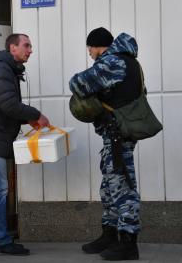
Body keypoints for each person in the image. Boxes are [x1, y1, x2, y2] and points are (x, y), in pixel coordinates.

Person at [69, 27, 141, 261]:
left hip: (118, 135)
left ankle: (128, 242)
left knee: (123, 188)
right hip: (115, 135)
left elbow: (78, 83)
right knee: (110, 188)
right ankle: (109, 235)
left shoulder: (113, 62)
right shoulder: (128, 61)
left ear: (96, 46)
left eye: (90, 47)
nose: (89, 52)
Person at [0, 33, 50, 256]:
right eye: (26, 45)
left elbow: (6, 106)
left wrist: (27, 118)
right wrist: (36, 115)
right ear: (12, 48)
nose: (30, 50)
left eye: (30, 46)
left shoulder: (6, 69)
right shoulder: (1, 70)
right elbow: (8, 104)